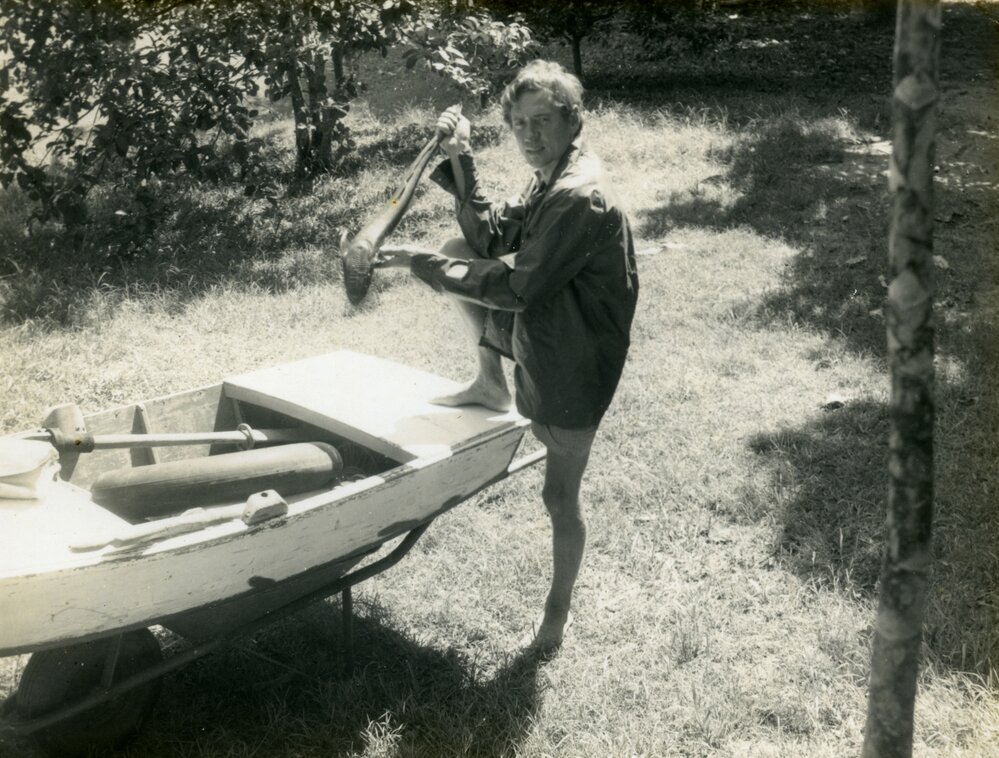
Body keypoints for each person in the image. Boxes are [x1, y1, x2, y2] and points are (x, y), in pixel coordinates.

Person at [375, 60, 639, 655]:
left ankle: (555, 617)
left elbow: (518, 288)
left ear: (572, 120)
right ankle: (490, 382)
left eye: (542, 121)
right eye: (519, 123)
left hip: (575, 357)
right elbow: (493, 236)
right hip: (545, 324)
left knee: (559, 497)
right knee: (457, 246)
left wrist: (421, 264)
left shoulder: (577, 194)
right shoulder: (549, 177)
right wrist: (460, 155)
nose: (529, 134)